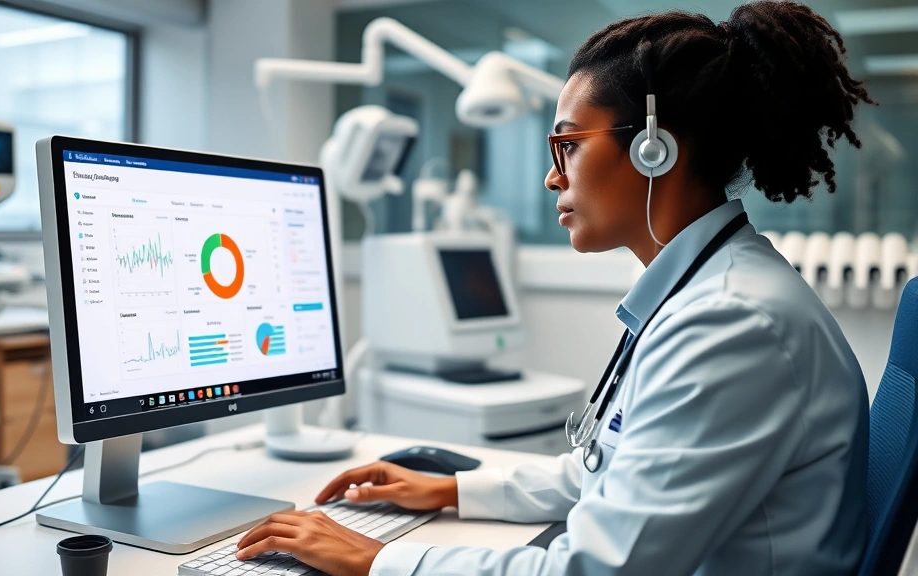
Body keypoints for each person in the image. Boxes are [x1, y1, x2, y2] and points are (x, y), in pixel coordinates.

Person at [236, 2, 873, 574]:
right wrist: (452, 490)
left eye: (567, 144)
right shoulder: (710, 290)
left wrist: (378, 560)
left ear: (653, 149)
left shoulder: (730, 323)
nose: (551, 177)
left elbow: (595, 570)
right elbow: (618, 468)